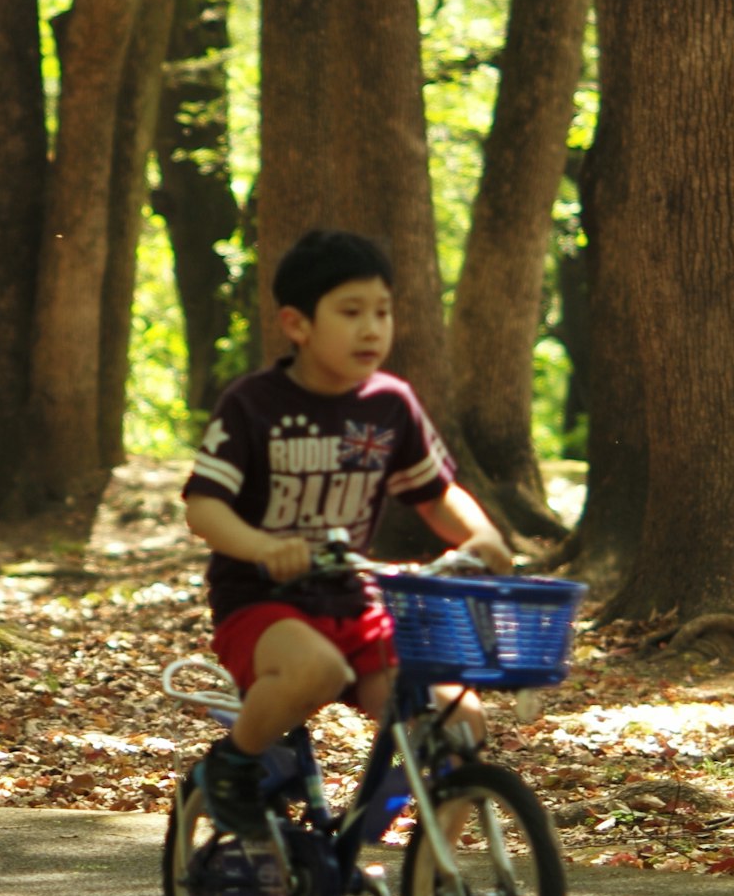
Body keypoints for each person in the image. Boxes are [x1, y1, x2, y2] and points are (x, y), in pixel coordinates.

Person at [181, 226, 514, 850]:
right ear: (297, 324)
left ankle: (430, 888)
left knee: (459, 719)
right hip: (259, 604)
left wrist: (483, 537)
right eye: (351, 312)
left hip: (356, 604)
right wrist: (261, 547)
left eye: (383, 312)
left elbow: (435, 493)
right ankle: (231, 767)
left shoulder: (391, 404)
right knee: (318, 671)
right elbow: (204, 508)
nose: (372, 329)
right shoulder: (254, 405)